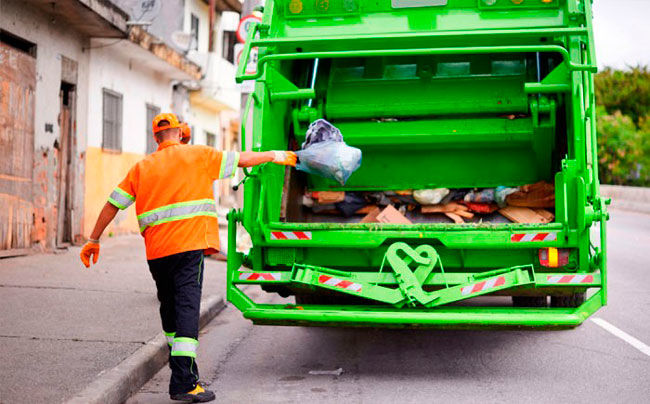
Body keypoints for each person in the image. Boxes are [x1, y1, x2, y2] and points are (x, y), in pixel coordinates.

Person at [79, 113, 296, 402]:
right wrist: (275, 154)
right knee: (186, 310)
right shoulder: (199, 155)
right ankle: (184, 383)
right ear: (183, 133)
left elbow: (112, 204)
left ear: (156, 138)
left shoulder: (142, 167)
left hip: (157, 253)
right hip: (188, 247)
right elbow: (242, 160)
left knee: (169, 307)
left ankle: (181, 369)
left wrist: (93, 240)